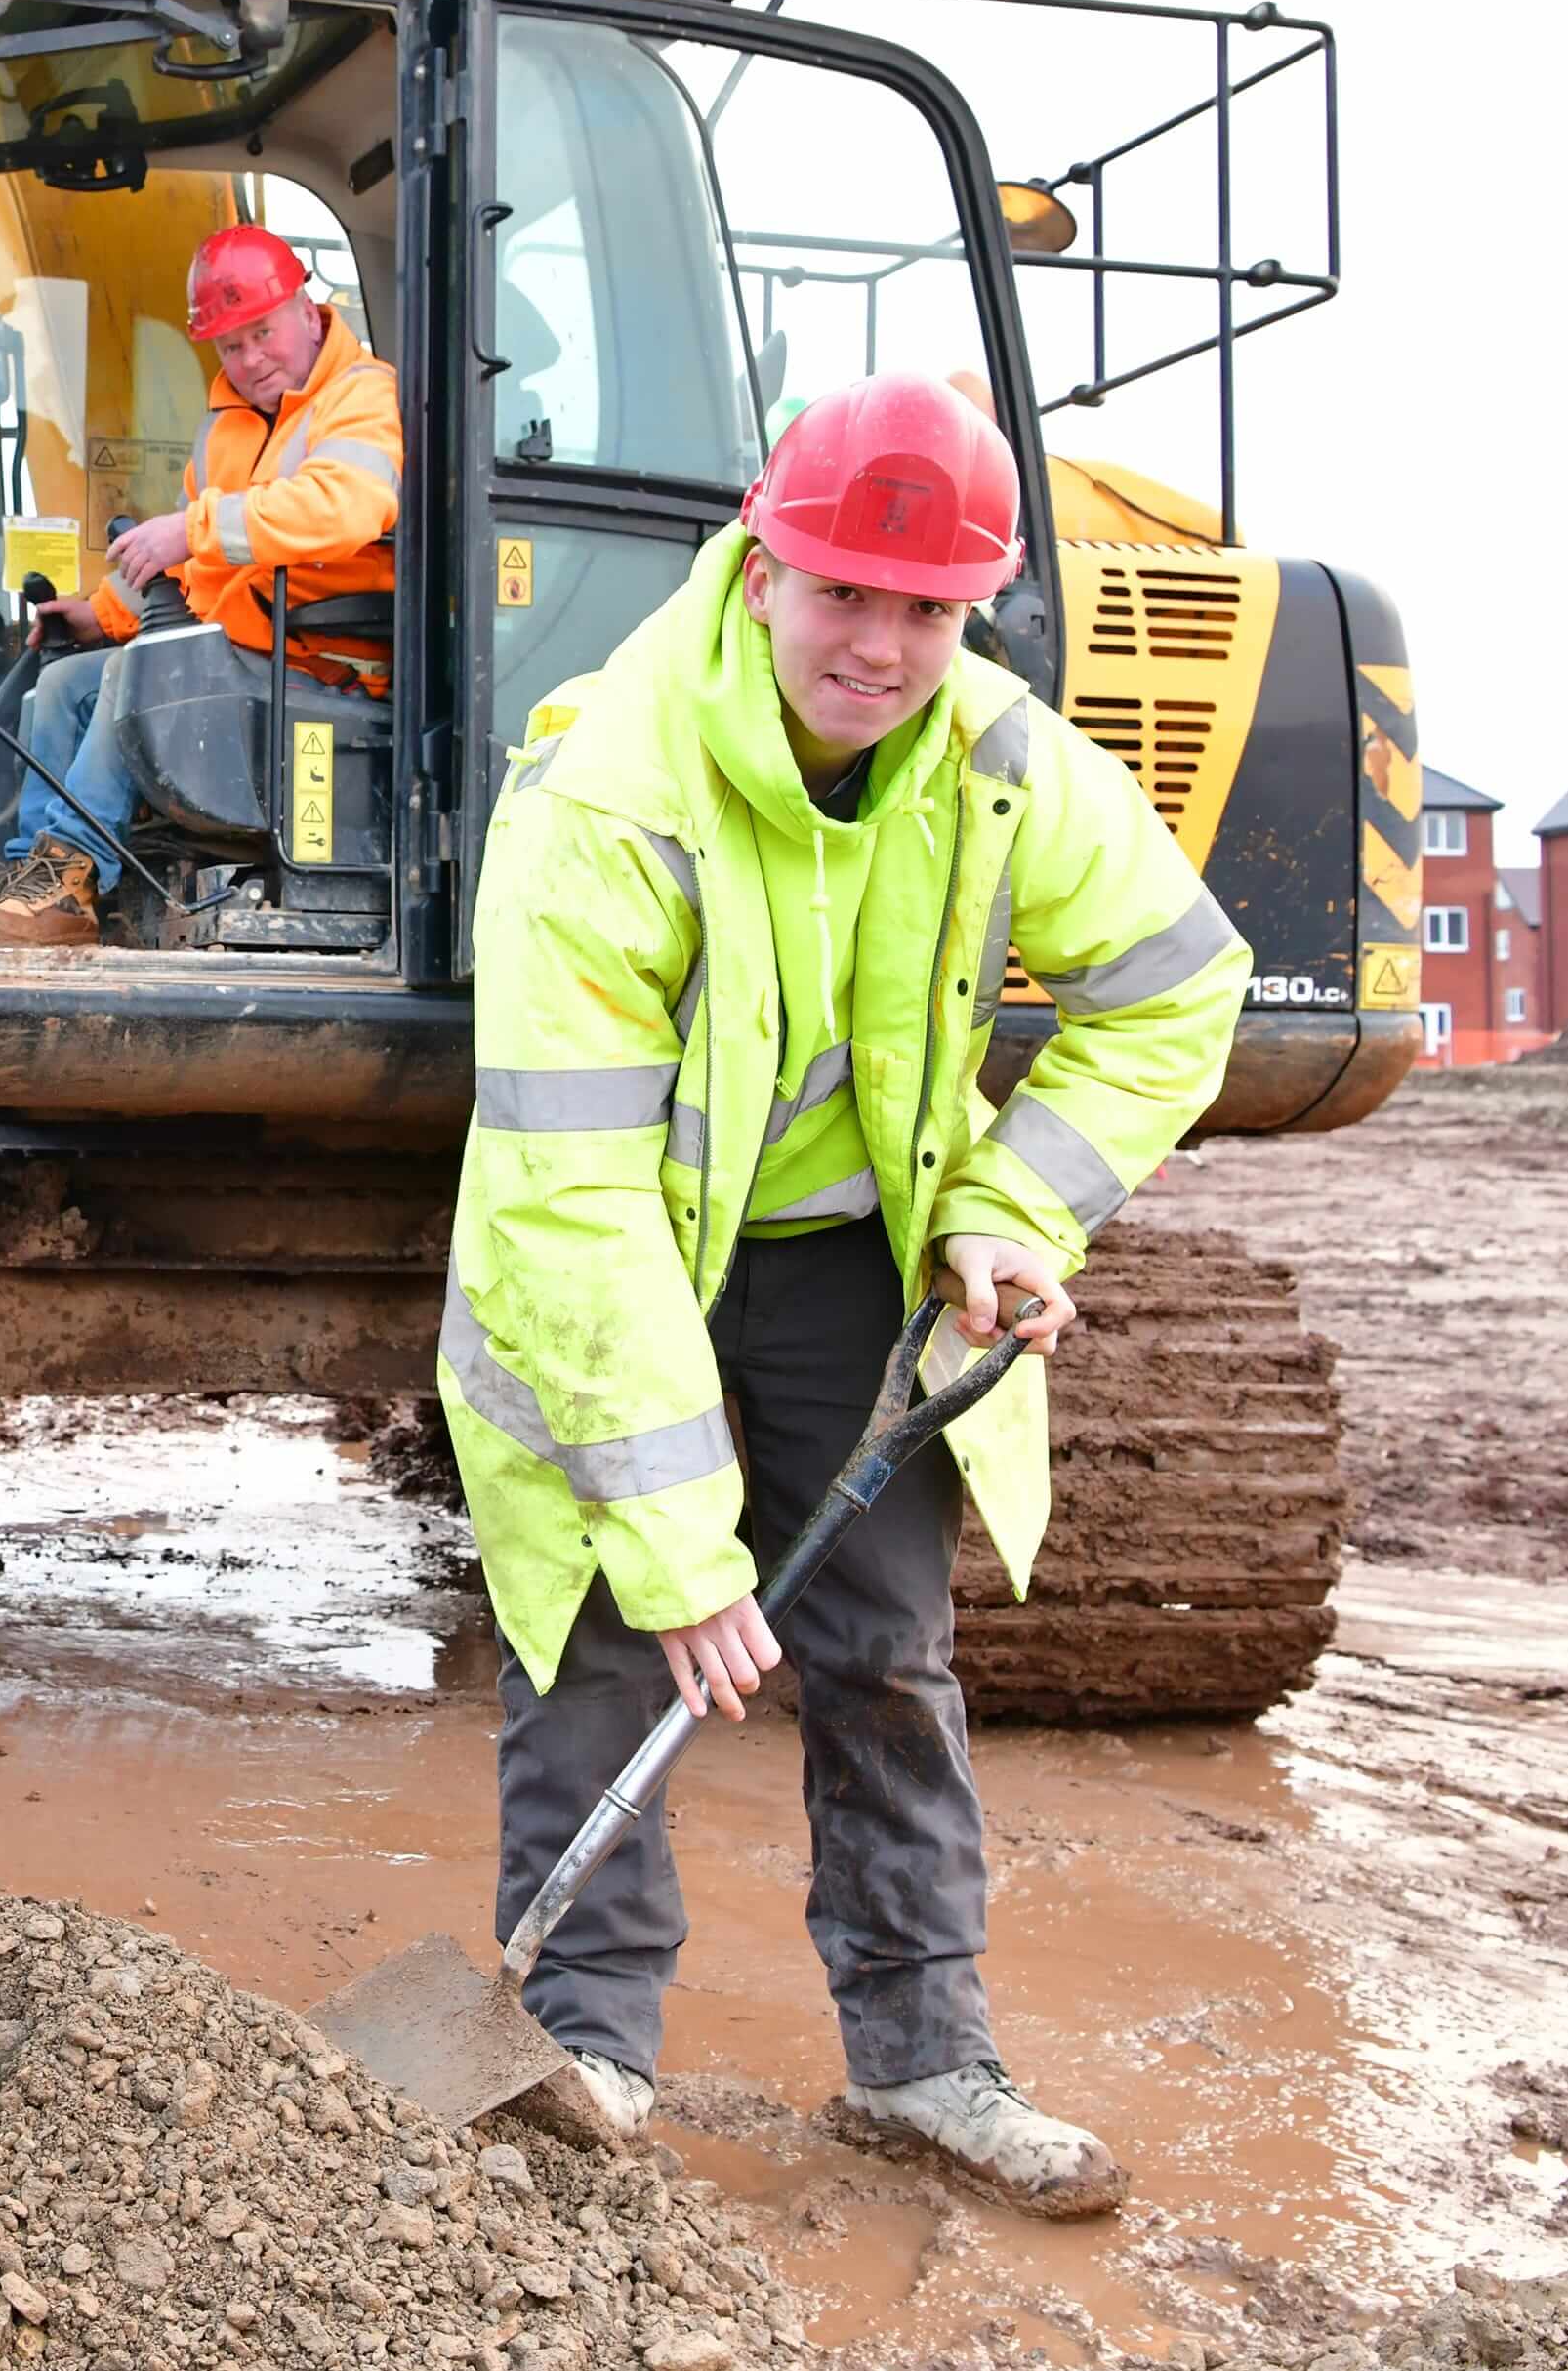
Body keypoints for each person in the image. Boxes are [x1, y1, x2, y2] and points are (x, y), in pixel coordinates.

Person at [442, 373, 1245, 2215]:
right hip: (613, 1239)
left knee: (880, 1649)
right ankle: (584, 2054)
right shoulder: (606, 782)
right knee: (596, 1626)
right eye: (840, 594)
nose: (879, 647)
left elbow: (1174, 990)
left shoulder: (993, 753)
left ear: (974, 608)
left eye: (926, 609)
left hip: (836, 1249)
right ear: (757, 554)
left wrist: (1007, 1205)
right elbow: (567, 1191)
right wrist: (680, 1540)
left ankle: (919, 2058)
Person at [0, 221, 403, 943]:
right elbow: (190, 566)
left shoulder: (361, 398)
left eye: (262, 332)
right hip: (241, 644)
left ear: (303, 309)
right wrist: (100, 615)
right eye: (230, 344)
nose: (250, 358)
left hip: (323, 655)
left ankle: (72, 875)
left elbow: (341, 507)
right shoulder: (227, 424)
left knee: (137, 675)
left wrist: (191, 527)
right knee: (66, 684)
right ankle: (38, 875)